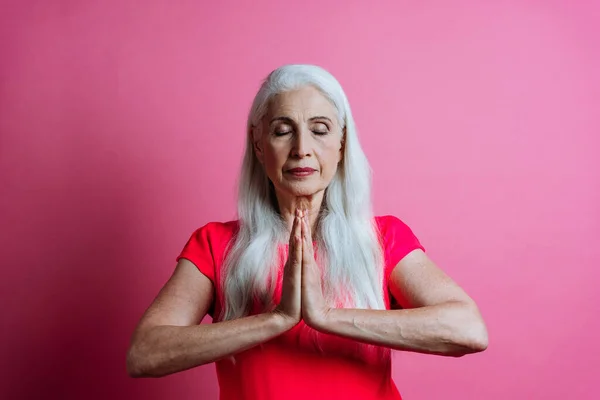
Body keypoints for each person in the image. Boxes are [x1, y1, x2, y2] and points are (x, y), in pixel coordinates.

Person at [126, 64, 488, 399]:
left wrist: (326, 317)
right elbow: (146, 353)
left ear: (342, 143)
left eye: (320, 130)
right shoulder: (215, 245)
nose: (302, 149)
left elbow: (468, 330)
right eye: (283, 131)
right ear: (258, 144)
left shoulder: (383, 240)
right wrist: (277, 319)